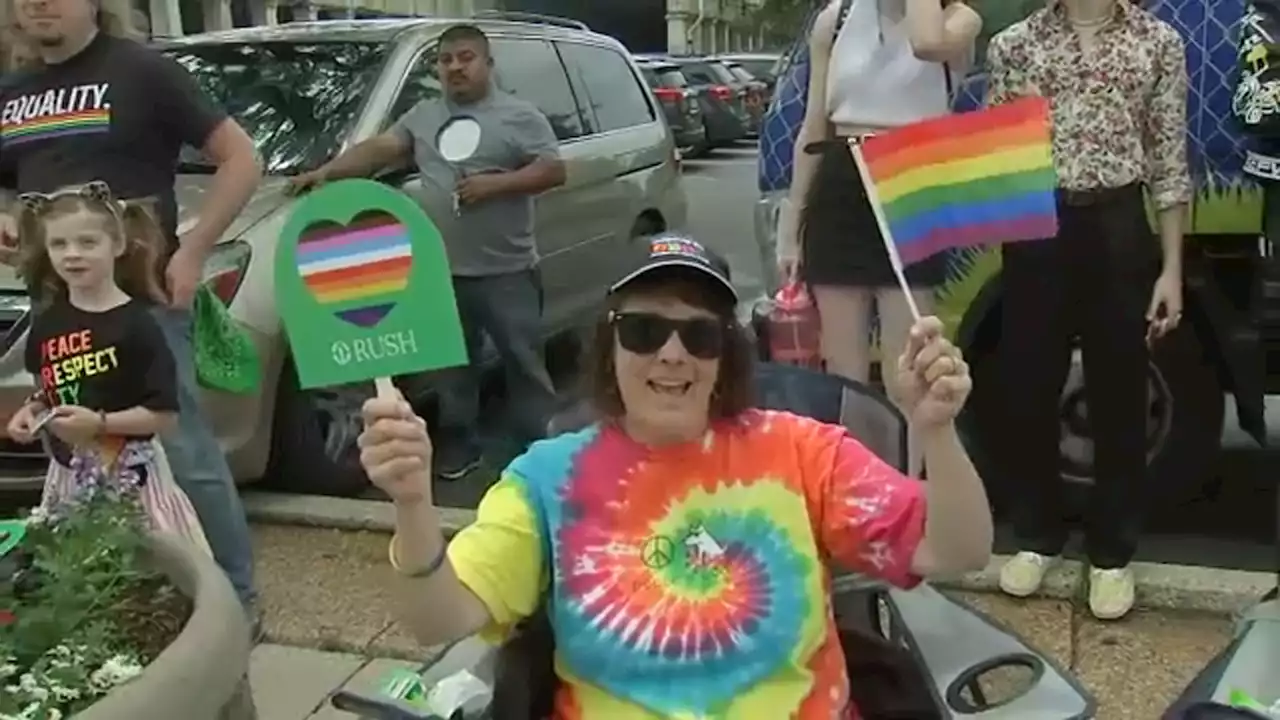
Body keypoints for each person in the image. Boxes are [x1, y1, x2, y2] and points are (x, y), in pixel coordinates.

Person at [357, 235, 994, 718]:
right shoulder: (550, 479)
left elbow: (958, 548)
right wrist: (413, 505)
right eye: (643, 330)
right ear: (609, 348)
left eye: (698, 335)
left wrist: (934, 428)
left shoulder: (800, 451)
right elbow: (437, 621)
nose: (671, 353)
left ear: (726, 355)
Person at [0, 0, 262, 616]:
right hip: (54, 304)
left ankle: (236, 603)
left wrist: (193, 251)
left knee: (182, 448)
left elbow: (241, 159)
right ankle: (124, 594)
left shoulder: (143, 71)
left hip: (141, 299)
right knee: (77, 448)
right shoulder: (14, 90)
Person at [290, 23, 566, 481]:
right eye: (446, 60)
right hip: (442, 273)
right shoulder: (424, 115)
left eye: (465, 58)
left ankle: (542, 454)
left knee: (524, 366)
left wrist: (499, 185)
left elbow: (553, 170)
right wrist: (327, 173)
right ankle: (461, 446)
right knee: (453, 369)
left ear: (487, 64)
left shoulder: (520, 116)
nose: (455, 67)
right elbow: (382, 148)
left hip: (507, 271)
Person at [987, 0, 1190, 620]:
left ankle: (1111, 554)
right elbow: (997, 156)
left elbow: (1170, 162)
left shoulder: (1157, 43)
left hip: (1118, 222)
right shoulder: (1014, 45)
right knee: (1027, 382)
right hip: (1036, 224)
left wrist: (1172, 270)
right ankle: (1037, 536)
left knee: (1119, 390)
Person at [776, 0, 981, 475]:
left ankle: (907, 491)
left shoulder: (958, 19)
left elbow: (927, 43)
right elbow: (813, 125)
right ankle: (852, 493)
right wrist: (792, 227)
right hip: (843, 178)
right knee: (843, 372)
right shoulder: (838, 17)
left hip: (911, 179)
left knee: (908, 367)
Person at [5, 182, 210, 554]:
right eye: (59, 245)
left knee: (145, 571)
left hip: (133, 476)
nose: (72, 255)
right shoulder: (49, 322)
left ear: (116, 245)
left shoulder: (139, 326)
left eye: (87, 243)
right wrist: (33, 409)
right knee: (77, 568)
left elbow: (164, 416)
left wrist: (98, 424)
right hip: (69, 473)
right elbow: (55, 385)